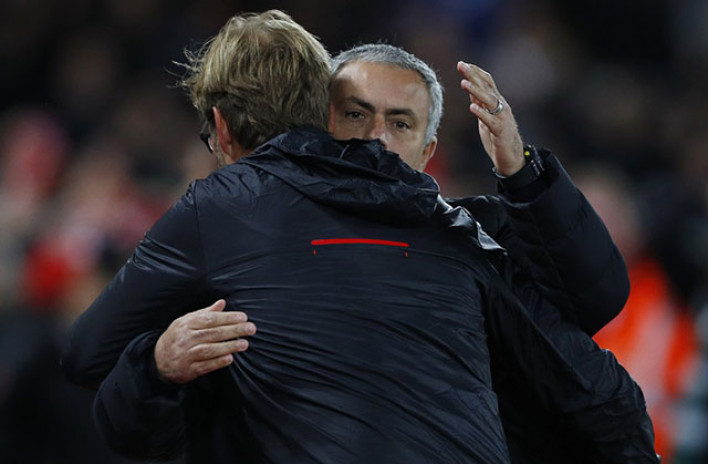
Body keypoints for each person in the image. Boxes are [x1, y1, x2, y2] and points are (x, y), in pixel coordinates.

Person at [62, 13, 658, 464]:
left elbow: (592, 308)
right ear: (319, 122)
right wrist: (158, 363)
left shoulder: (460, 233)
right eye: (355, 114)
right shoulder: (244, 215)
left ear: (428, 150)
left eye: (399, 123)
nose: (375, 138)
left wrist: (522, 172)